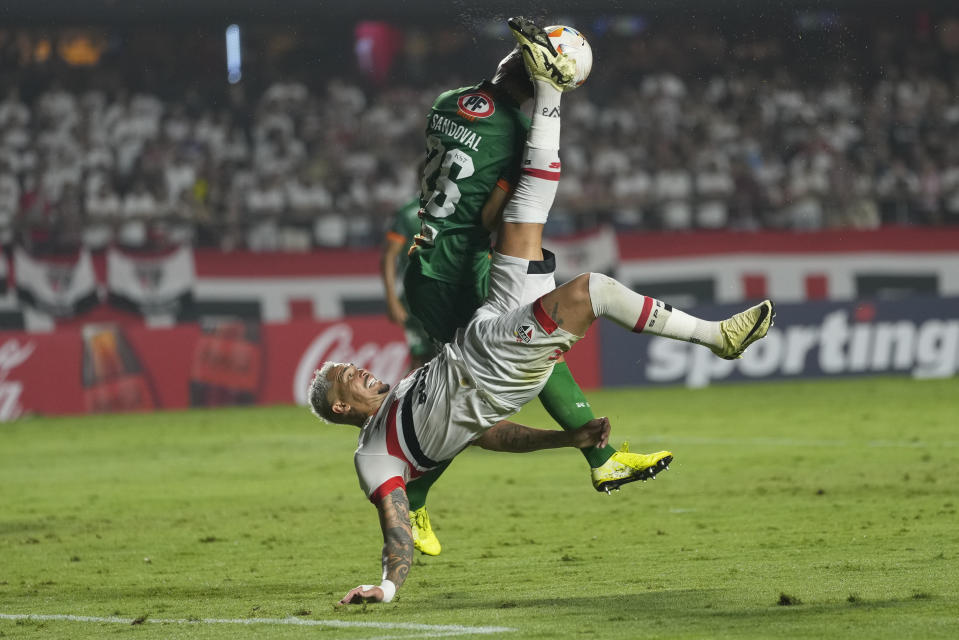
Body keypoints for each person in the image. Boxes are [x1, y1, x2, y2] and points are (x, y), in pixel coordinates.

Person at [311, 18, 775, 605]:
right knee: (590, 288)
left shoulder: (403, 397)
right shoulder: (375, 459)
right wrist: (387, 586)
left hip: (477, 326)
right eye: (344, 377)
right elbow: (393, 532)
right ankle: (717, 338)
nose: (355, 367)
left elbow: (489, 436)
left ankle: (599, 456)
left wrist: (567, 439)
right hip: (494, 353)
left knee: (532, 214)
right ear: (341, 406)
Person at [402, 19, 640, 557]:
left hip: (428, 260)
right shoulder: (515, 131)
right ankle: (413, 494)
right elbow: (494, 214)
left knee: (533, 351)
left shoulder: (448, 100)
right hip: (459, 272)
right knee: (480, 395)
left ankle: (602, 462)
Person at [380, 195, 439, 370]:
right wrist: (392, 299)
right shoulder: (406, 213)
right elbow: (389, 255)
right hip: (417, 298)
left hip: (448, 295)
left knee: (445, 357)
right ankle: (410, 395)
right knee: (422, 358)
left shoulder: (458, 206)